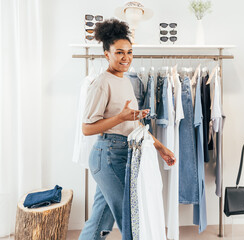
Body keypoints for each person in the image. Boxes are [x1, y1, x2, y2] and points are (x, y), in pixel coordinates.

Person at [78, 18, 176, 239]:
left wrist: (161, 148)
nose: (126, 58)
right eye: (119, 52)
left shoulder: (125, 81)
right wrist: (119, 117)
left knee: (99, 221)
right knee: (132, 218)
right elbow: (86, 128)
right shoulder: (102, 82)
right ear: (107, 54)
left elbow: (134, 125)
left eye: (129, 52)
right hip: (109, 156)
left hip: (121, 153)